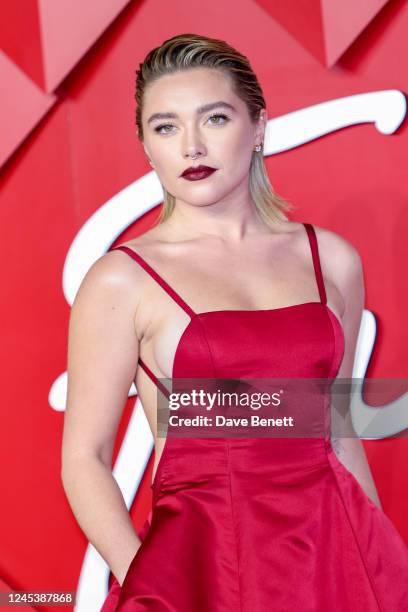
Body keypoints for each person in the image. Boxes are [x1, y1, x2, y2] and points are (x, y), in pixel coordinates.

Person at [61, 33, 408, 611]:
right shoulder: (123, 279)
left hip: (333, 557)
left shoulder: (332, 260)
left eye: (215, 118)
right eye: (165, 127)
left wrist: (379, 560)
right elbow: (85, 458)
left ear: (260, 127)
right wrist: (151, 580)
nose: (191, 146)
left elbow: (339, 431)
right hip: (204, 566)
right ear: (146, 146)